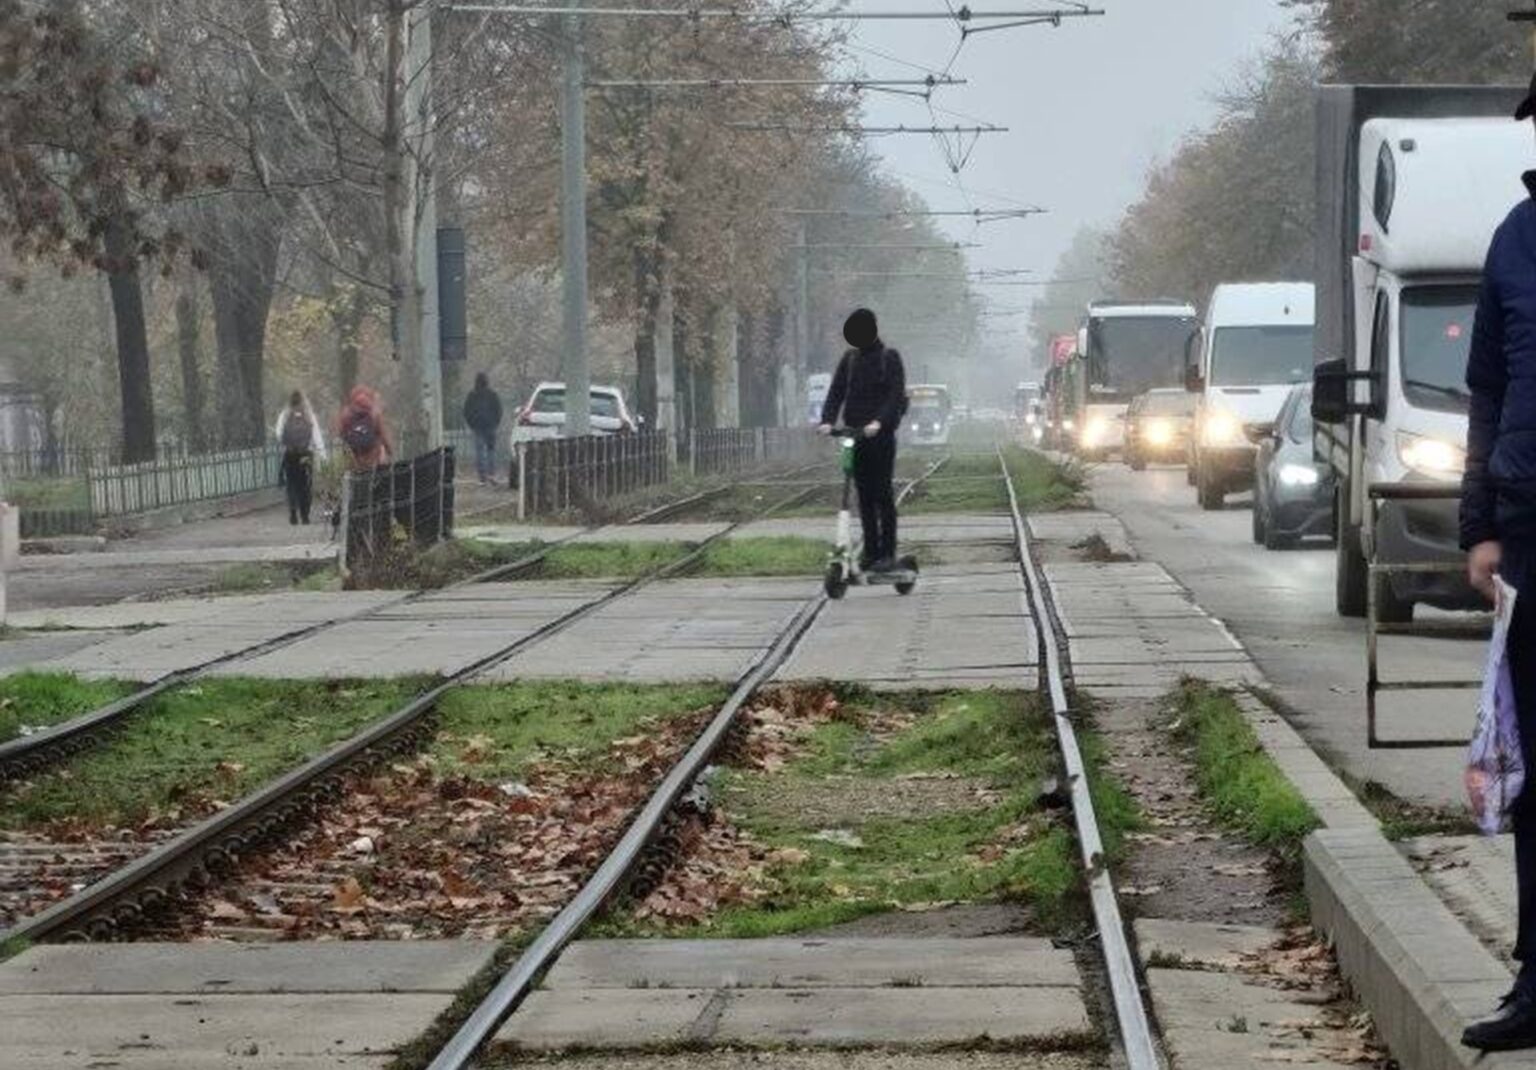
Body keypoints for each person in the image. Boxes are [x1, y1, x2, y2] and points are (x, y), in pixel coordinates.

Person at [1460, 73, 1536, 1053]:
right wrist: (1478, 524)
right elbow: (1486, 390)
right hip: (1531, 526)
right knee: (1533, 773)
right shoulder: (1516, 237)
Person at [818, 308, 907, 572]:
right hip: (854, 436)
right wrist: (827, 421)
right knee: (863, 496)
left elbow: (895, 396)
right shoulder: (850, 359)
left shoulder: (889, 358)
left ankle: (887, 553)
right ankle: (870, 552)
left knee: (882, 494)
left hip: (880, 438)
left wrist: (879, 422)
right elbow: (836, 392)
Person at [274, 390, 326, 525]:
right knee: (305, 485)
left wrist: (288, 444)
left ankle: (293, 512)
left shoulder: (285, 415)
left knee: (292, 484)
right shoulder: (308, 415)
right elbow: (316, 436)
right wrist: (322, 454)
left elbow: (279, 433)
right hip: (306, 454)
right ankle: (305, 515)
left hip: (290, 454)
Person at [338, 385, 393, 472]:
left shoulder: (346, 415)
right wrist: (390, 451)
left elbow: (341, 434)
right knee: (381, 449)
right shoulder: (374, 414)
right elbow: (383, 436)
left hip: (353, 459)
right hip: (372, 458)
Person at [462, 372, 504, 485]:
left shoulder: (472, 395)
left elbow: (466, 411)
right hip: (491, 426)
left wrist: (471, 424)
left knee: (479, 452)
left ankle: (482, 477)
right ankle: (492, 474)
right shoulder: (492, 394)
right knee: (491, 451)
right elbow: (499, 410)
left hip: (477, 426)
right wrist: (496, 423)